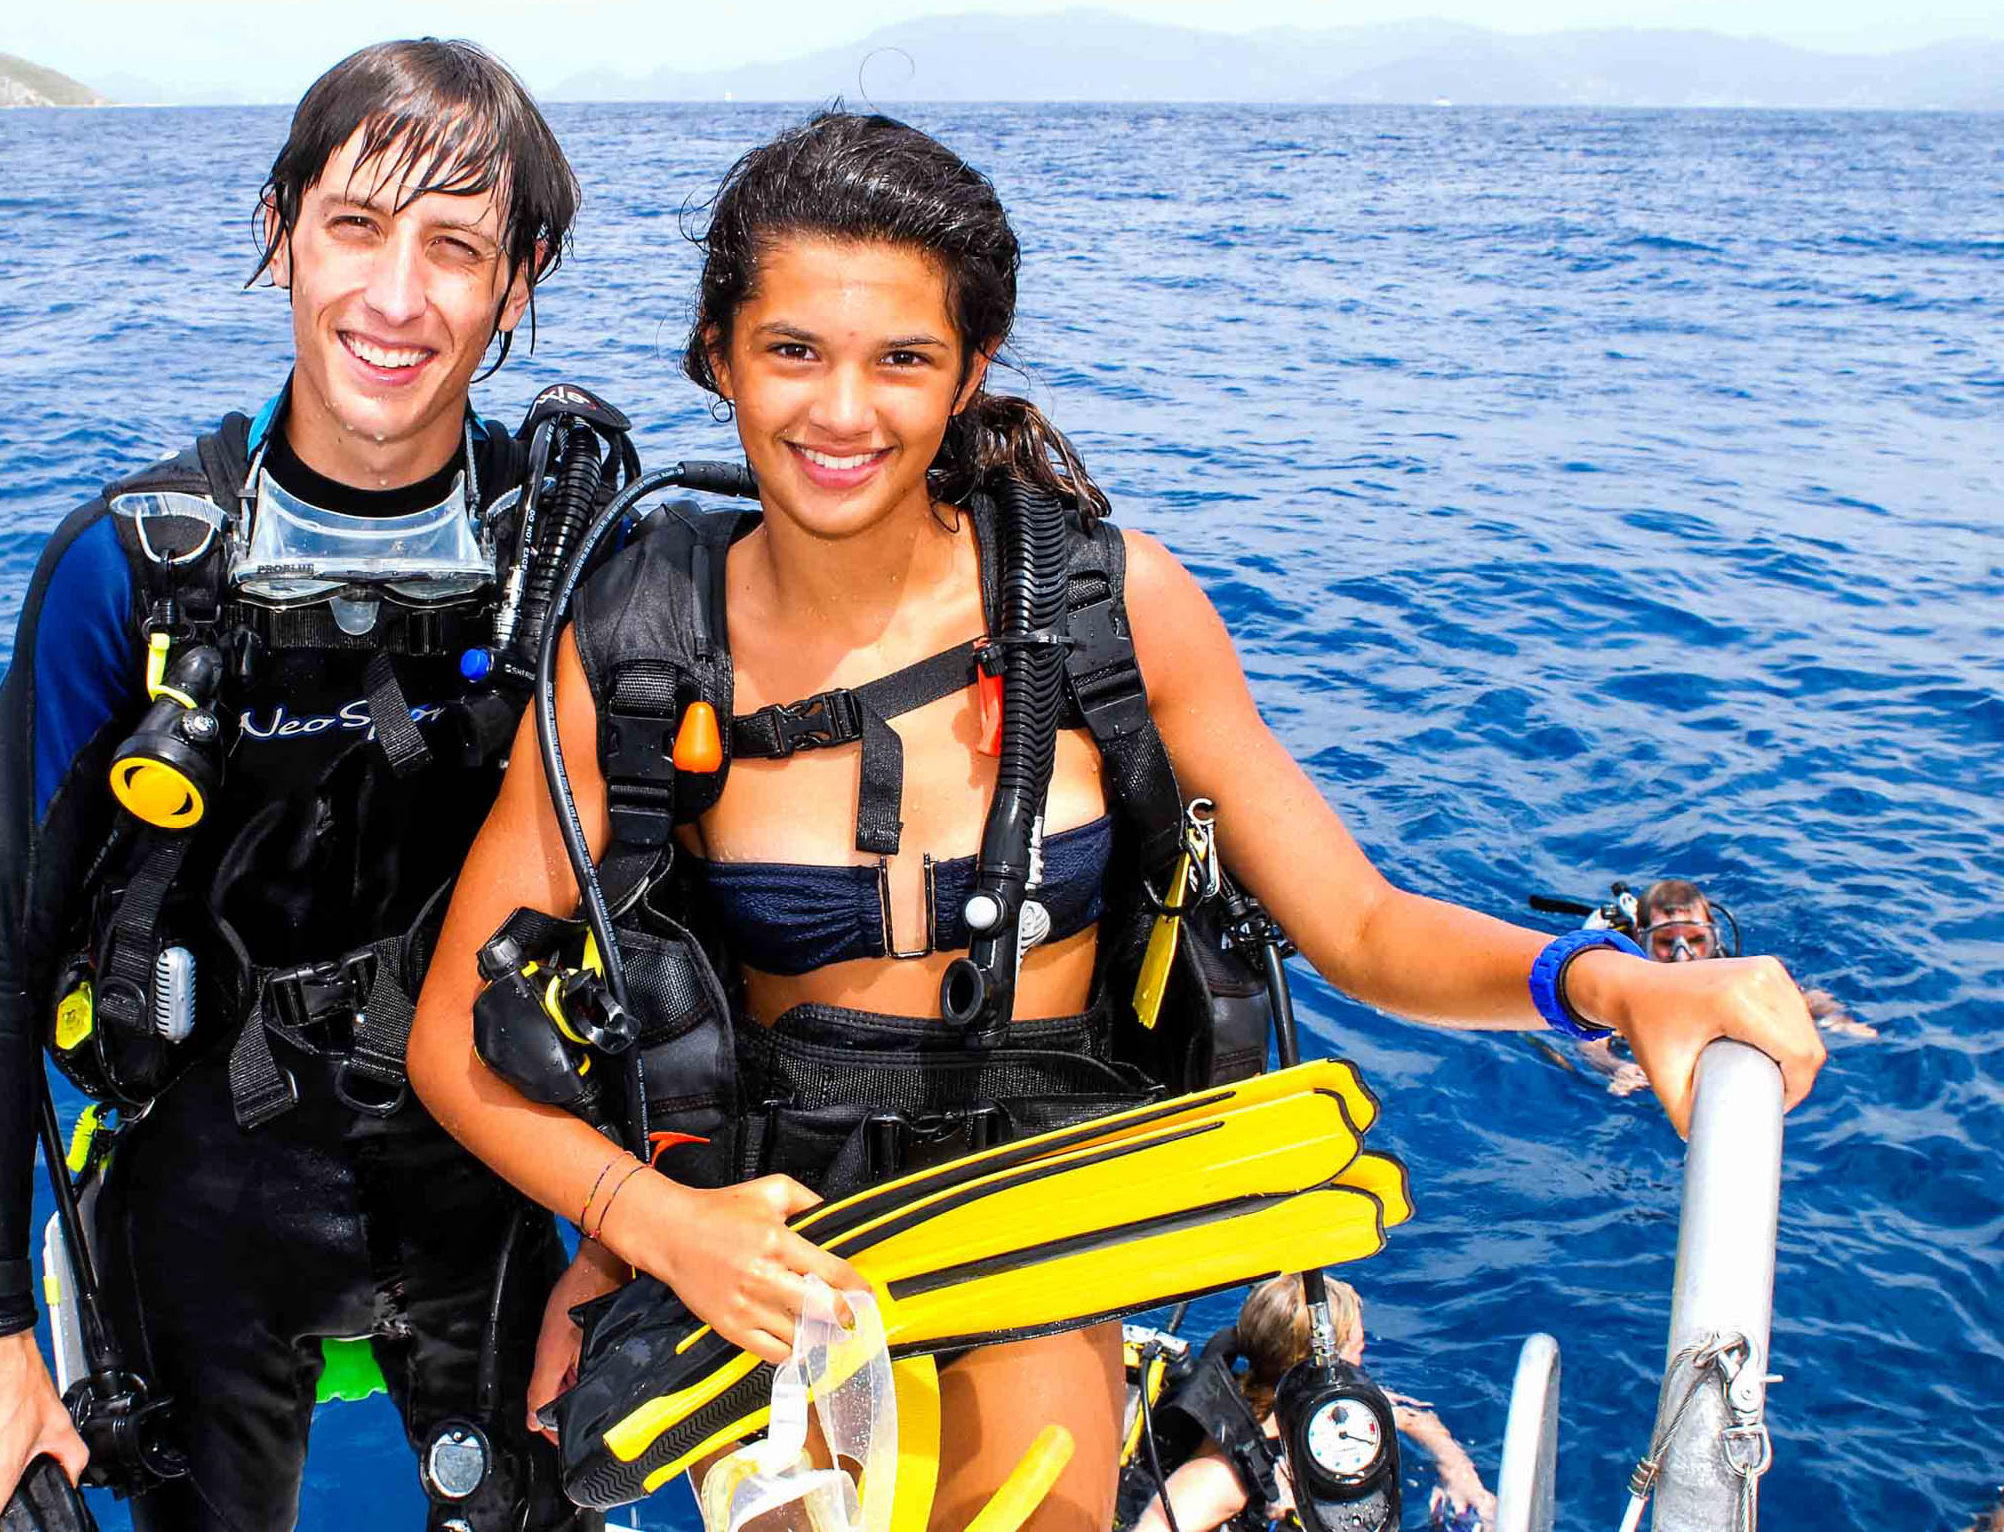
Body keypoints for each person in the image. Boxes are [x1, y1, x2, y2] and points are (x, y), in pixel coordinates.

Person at [405, 109, 1825, 1532]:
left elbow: (1365, 927)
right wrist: (645, 1224)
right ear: (716, 352)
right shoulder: (642, 641)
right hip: (766, 1238)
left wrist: (1603, 979)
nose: (844, 412)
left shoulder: (1111, 610)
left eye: (903, 358)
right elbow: (450, 1048)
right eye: (793, 351)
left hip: (1043, 1203)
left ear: (971, 372)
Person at [0, 39, 604, 1532]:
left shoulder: (572, 571)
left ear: (520, 281)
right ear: (280, 228)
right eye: (353, 226)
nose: (395, 297)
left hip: (481, 1179)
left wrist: (625, 1246)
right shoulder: (132, 567)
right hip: (198, 1194)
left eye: (457, 247)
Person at [1130, 1276, 1494, 1532]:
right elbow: (1157, 1523)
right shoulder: (1224, 1475)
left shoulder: (1325, 1407)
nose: (1363, 1351)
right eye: (1355, 1346)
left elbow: (1414, 1419)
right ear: (1313, 1366)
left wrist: (1460, 1477)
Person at [1565, 877, 1872, 1098]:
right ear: (1641, 938)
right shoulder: (1624, 977)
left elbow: (1802, 997)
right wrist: (1616, 1067)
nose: (1683, 955)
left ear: (1714, 936)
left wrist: (1837, 1018)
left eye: (1697, 941)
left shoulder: (1726, 966)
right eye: (1664, 943)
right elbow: (1590, 1044)